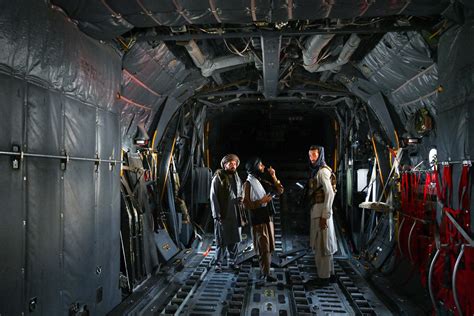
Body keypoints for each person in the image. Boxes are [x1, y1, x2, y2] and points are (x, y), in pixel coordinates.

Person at [243, 157, 284, 282]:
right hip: (258, 220)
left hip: (267, 218)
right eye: (260, 165)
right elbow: (246, 204)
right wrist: (262, 201)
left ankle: (266, 272)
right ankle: (265, 274)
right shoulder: (248, 184)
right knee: (263, 248)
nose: (263, 167)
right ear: (255, 167)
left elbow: (279, 190)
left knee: (268, 248)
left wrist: (274, 176)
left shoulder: (261, 181)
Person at [307, 145, 337, 286]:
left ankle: (323, 278)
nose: (312, 158)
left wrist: (325, 215)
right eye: (310, 155)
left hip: (321, 213)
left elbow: (330, 193)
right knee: (326, 244)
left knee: (321, 246)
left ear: (320, 155)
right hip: (320, 212)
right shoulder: (320, 171)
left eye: (314, 155)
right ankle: (330, 274)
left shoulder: (322, 172)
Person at [210, 154, 245, 272]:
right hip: (223, 215)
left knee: (234, 240)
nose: (233, 166)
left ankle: (233, 262)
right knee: (221, 241)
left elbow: (241, 191)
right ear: (225, 165)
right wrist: (216, 214)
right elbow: (213, 197)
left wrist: (241, 198)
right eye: (231, 163)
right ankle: (218, 264)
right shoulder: (218, 178)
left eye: (235, 164)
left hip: (235, 214)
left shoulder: (237, 177)